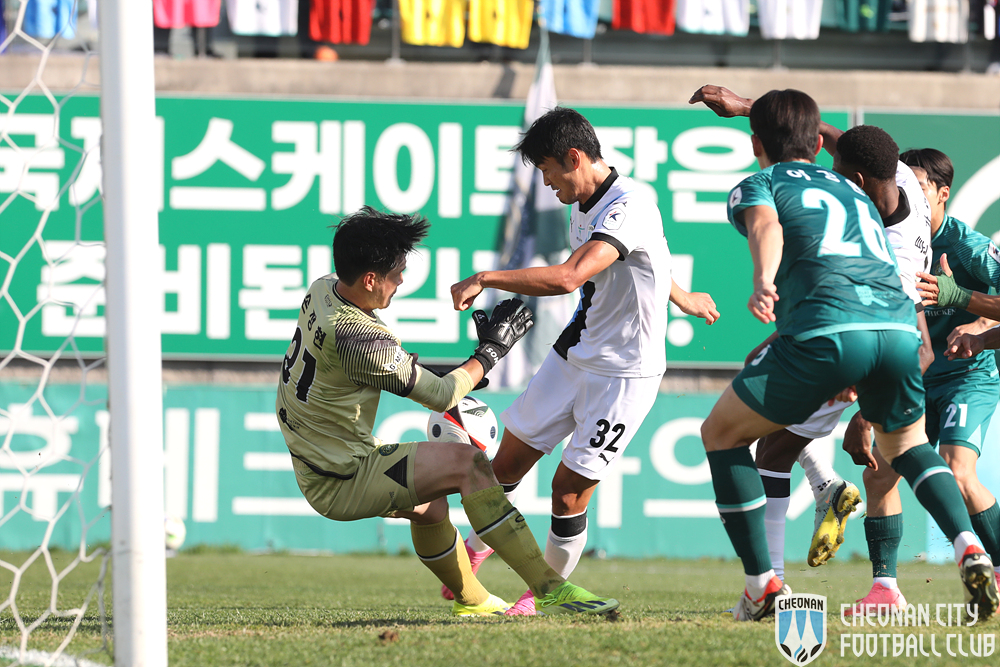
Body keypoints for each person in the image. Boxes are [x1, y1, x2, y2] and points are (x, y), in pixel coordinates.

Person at [698, 88, 997, 622]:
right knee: (907, 447)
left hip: (834, 331)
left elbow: (766, 225)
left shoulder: (762, 183)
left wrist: (763, 280)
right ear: (817, 144)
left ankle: (764, 584)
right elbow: (846, 144)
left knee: (730, 436)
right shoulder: (871, 190)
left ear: (756, 144)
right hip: (901, 332)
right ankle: (968, 547)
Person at [275, 206, 619, 617]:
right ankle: (549, 587)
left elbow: (380, 369)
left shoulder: (323, 288)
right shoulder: (358, 338)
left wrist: (459, 374)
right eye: (397, 273)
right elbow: (438, 395)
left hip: (317, 457)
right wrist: (491, 351)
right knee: (468, 465)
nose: (402, 280)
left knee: (431, 508)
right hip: (340, 476)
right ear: (369, 279)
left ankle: (472, 601)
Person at [446, 107, 720, 616]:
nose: (546, 183)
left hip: (625, 375)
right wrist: (682, 296)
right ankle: (479, 548)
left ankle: (539, 596)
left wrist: (485, 277)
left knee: (568, 491)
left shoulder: (629, 204)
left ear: (574, 158)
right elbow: (645, 260)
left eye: (548, 171)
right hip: (573, 355)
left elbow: (571, 276)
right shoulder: (583, 204)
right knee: (505, 465)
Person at [841, 148, 1000, 614]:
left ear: (942, 194)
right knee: (879, 474)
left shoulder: (967, 247)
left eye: (919, 186)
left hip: (967, 378)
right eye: (900, 184)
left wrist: (972, 317)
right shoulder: (883, 240)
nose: (906, 192)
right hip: (914, 377)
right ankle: (885, 591)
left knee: (957, 468)